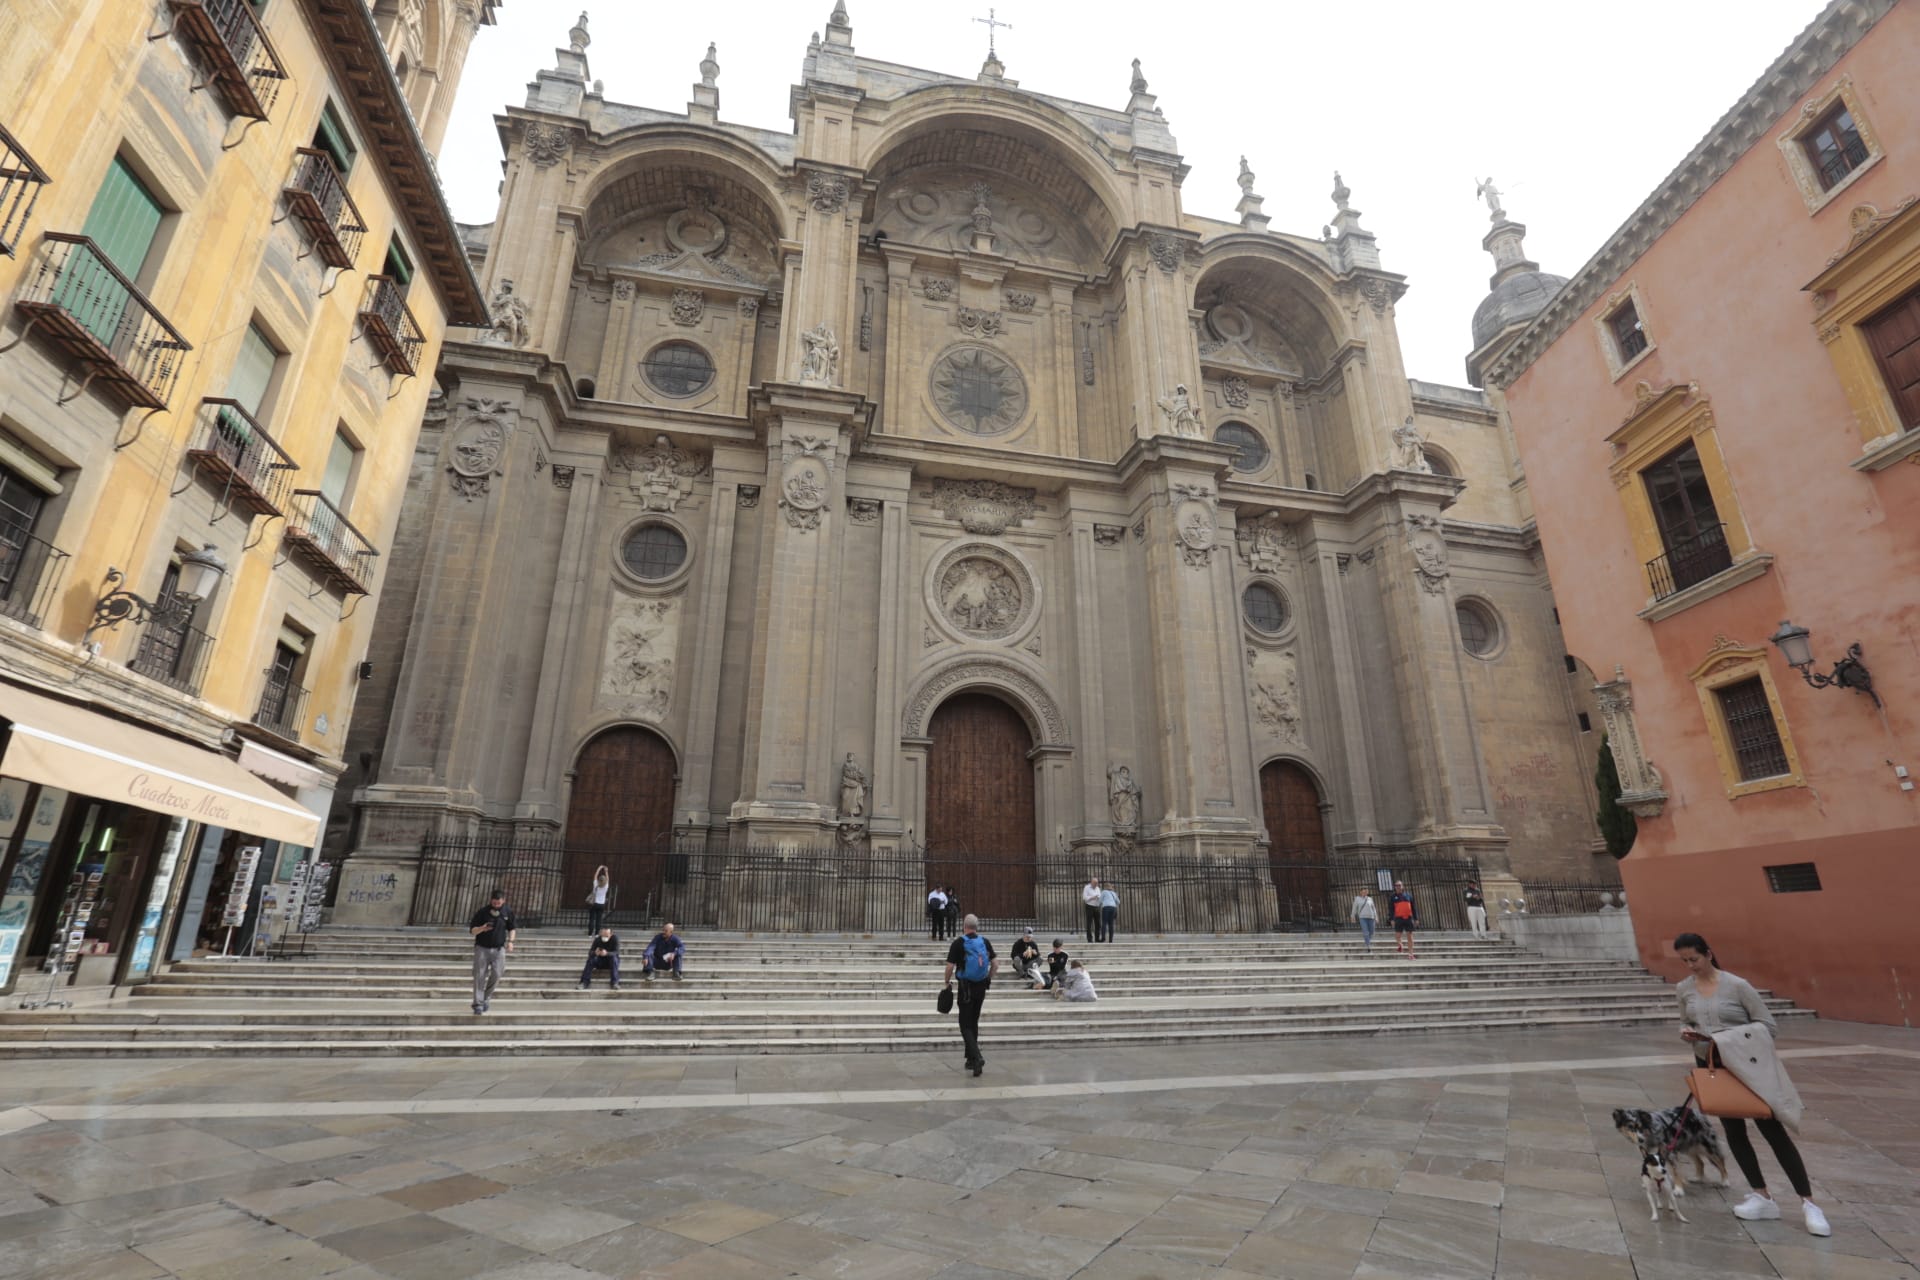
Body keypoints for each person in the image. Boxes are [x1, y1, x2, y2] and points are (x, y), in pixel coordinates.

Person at [1675, 932, 1828, 1236]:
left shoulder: (1737, 986)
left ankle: (1809, 1203)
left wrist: (1723, 1038)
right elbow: (1687, 1021)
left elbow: (1768, 1026)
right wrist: (1688, 1032)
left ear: (1708, 953)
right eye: (1684, 961)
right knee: (1734, 1132)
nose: (1690, 965)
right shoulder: (1683, 989)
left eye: (1694, 959)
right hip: (1712, 1067)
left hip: (1748, 1067)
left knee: (1773, 1131)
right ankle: (1761, 1195)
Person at [943, 913, 996, 1076]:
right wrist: (988, 978)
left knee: (965, 1025)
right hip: (981, 987)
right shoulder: (984, 942)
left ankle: (977, 1057)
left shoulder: (959, 943)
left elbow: (950, 967)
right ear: (976, 927)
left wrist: (946, 982)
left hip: (965, 988)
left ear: (964, 926)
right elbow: (996, 963)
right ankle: (971, 1060)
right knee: (974, 1022)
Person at [468, 888, 515, 1015]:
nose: (496, 905)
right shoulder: (482, 912)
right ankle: (477, 1004)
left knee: (497, 973)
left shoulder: (507, 911)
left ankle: (485, 998)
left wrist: (510, 942)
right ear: (491, 901)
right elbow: (472, 931)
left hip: (499, 949)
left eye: (498, 903)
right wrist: (482, 928)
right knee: (479, 976)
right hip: (482, 948)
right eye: (494, 903)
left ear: (503, 901)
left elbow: (512, 928)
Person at [579, 925, 620, 989]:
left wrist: (607, 953)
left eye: (606, 936)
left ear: (611, 934)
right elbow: (590, 952)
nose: (604, 937)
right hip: (600, 961)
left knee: (614, 958)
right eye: (603, 935)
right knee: (591, 959)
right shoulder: (597, 939)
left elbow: (616, 952)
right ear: (601, 933)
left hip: (610, 962)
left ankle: (615, 982)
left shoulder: (615, 939)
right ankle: (584, 982)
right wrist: (595, 952)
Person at [1389, 880, 1418, 958]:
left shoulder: (1409, 896)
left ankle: (1411, 954)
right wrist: (1391, 919)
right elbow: (1391, 909)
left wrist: (1416, 918)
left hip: (1408, 918)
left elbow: (1413, 907)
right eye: (1396, 885)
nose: (1398, 887)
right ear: (1394, 887)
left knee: (1410, 936)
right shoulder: (1392, 897)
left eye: (1399, 885)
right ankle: (1400, 944)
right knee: (1397, 936)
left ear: (1402, 886)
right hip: (1398, 918)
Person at [586, 865, 610, 936]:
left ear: (599, 880)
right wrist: (606, 871)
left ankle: (590, 934)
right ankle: (597, 934)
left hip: (594, 904)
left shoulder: (596, 884)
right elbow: (608, 879)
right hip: (601, 904)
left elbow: (595, 875)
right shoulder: (606, 886)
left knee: (592, 919)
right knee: (598, 920)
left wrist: (599, 868)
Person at [1081, 877, 1102, 944]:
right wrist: (1092, 897)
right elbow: (1085, 898)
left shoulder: (1098, 888)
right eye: (1095, 883)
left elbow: (1100, 896)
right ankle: (1089, 939)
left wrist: (1099, 898)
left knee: (1098, 923)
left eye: (1097, 883)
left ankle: (1097, 938)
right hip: (1089, 906)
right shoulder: (1087, 888)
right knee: (1089, 923)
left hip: (1097, 907)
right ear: (1091, 882)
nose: (1096, 884)